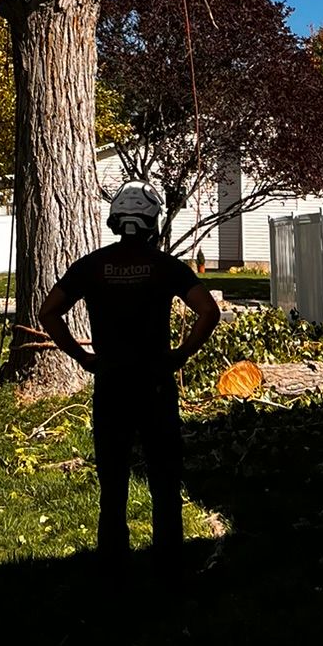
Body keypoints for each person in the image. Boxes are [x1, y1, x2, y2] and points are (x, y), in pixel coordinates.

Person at [37, 182, 220, 571]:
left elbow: (49, 311)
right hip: (155, 384)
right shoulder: (166, 266)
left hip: (111, 386)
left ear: (116, 221)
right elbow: (209, 311)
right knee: (165, 481)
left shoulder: (92, 265)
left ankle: (113, 571)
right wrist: (181, 355)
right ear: (152, 221)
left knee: (113, 484)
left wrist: (82, 357)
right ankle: (169, 568)